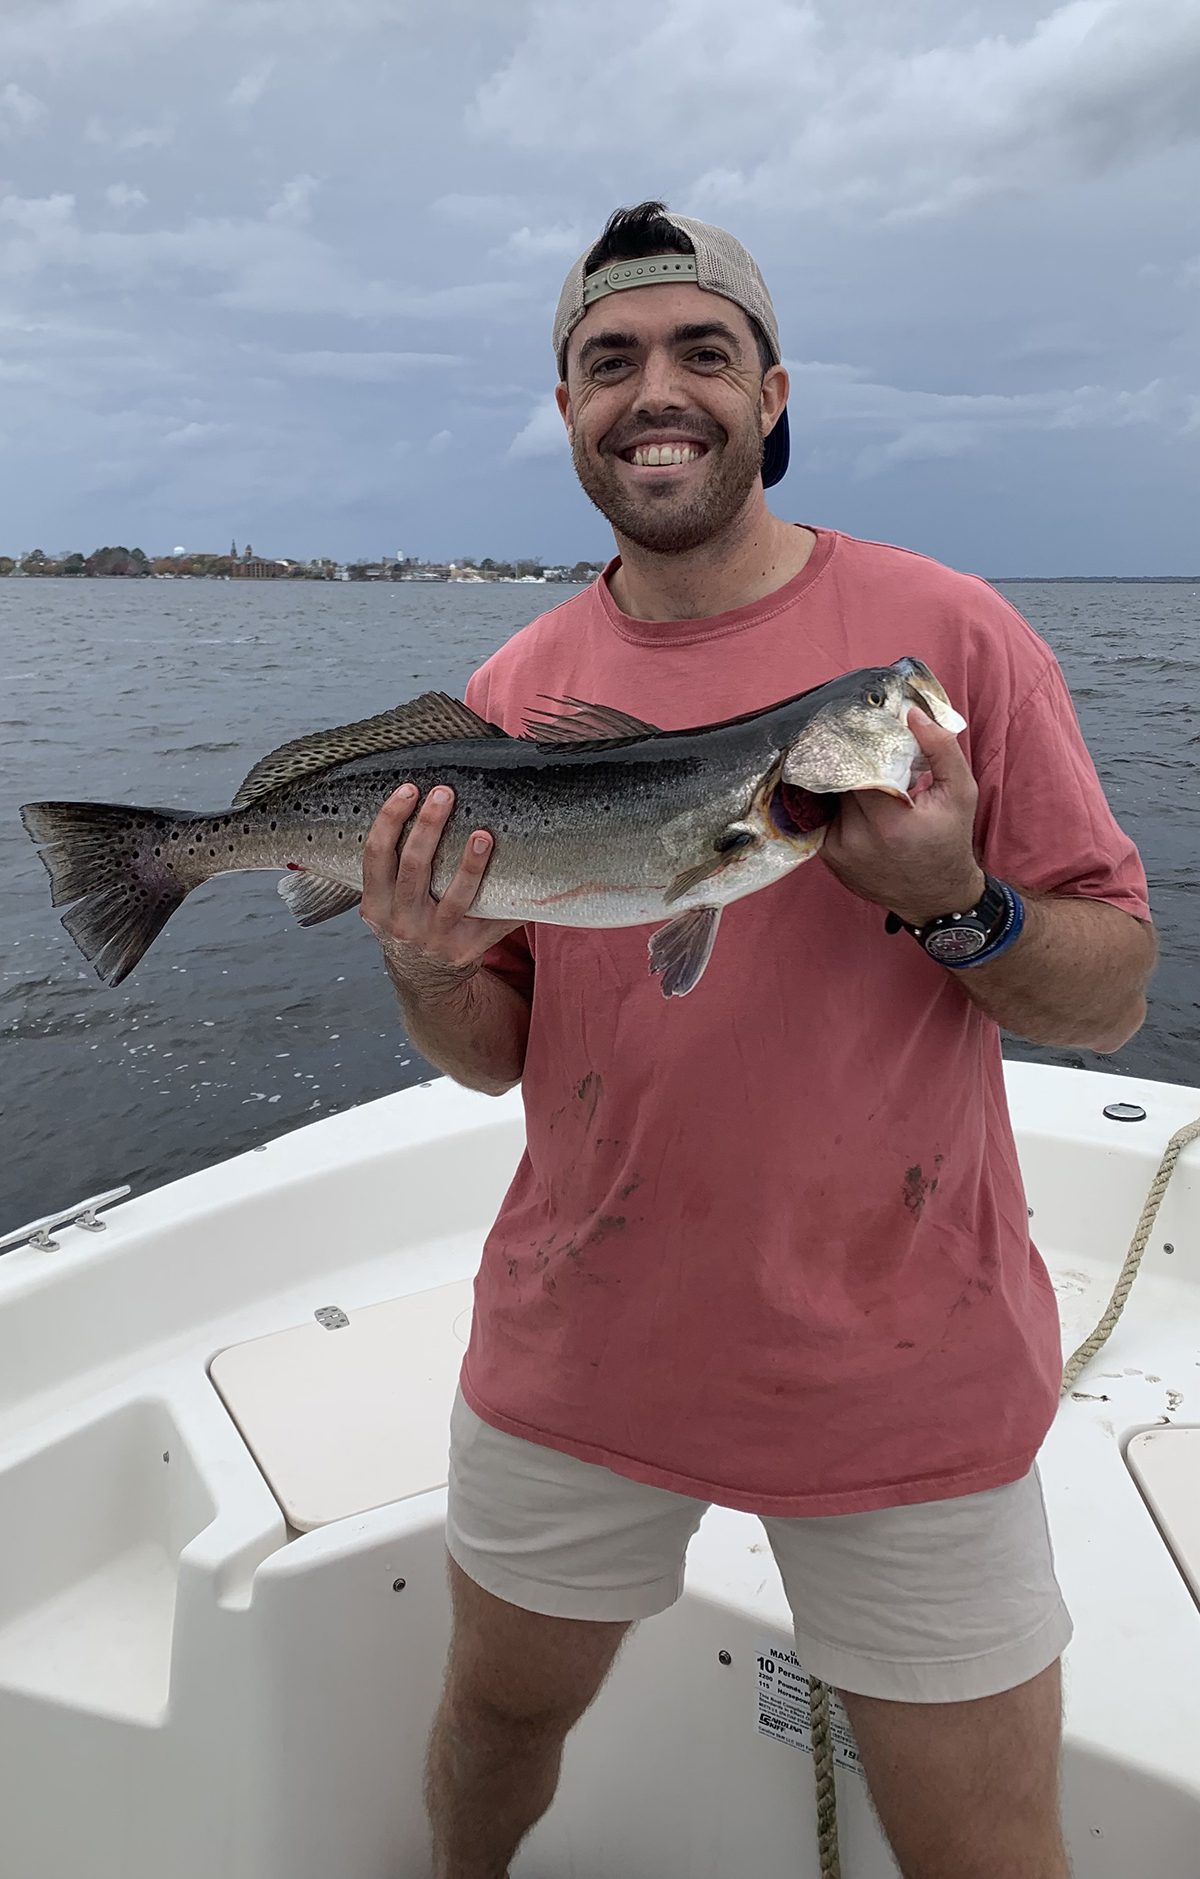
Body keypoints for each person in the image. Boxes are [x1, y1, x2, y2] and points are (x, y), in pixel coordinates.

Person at [360, 202, 1156, 1879]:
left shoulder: (947, 642)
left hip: (905, 1363)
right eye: (610, 362)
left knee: (989, 1843)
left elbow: (1115, 989)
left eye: (701, 352)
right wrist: (426, 967)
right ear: (568, 410)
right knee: (495, 1730)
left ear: (773, 393)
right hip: (579, 1339)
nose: (658, 393)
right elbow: (494, 1054)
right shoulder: (512, 691)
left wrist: (961, 903)